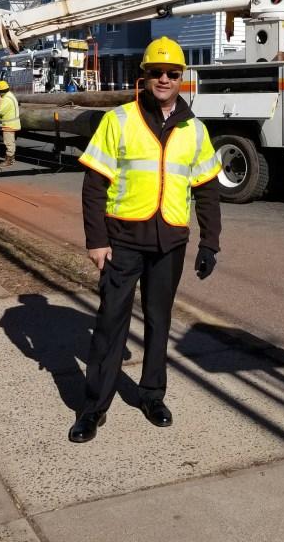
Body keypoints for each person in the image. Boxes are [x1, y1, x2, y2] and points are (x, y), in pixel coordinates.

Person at [69, 36, 222, 444]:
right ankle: (92, 408)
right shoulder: (119, 120)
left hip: (170, 241)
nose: (164, 79)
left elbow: (206, 190)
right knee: (110, 323)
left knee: (159, 322)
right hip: (122, 240)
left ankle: (152, 395)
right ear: (145, 76)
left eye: (173, 73)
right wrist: (96, 240)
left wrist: (210, 242)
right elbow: (93, 185)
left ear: (182, 78)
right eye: (157, 72)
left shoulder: (195, 129)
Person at [0, 80, 21, 167]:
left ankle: (8, 160)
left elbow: (1, 111)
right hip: (13, 123)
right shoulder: (10, 95)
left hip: (9, 124)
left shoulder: (6, 99)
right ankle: (11, 159)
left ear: (1, 91)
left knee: (8, 142)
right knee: (11, 142)